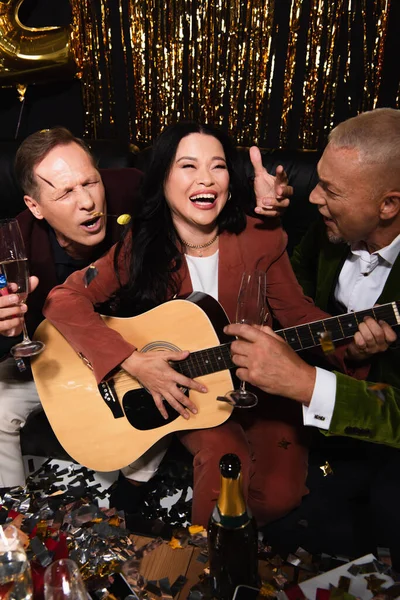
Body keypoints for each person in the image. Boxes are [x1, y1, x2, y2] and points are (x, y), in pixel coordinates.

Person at [43, 121, 354, 528]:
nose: (205, 178)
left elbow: (298, 315)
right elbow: (62, 300)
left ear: (230, 178)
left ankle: (227, 551)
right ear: (164, 177)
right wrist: (133, 362)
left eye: (218, 166)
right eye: (188, 166)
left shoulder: (262, 236)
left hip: (261, 390)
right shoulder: (143, 244)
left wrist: (353, 343)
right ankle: (199, 564)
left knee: (280, 496)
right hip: (195, 392)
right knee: (226, 467)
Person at [225, 107, 400, 560]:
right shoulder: (332, 232)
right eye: (317, 180)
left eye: (331, 190)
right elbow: (289, 285)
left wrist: (305, 383)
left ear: (389, 205)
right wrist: (339, 343)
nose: (314, 197)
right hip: (327, 415)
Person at [0, 127, 157, 494]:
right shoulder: (11, 249)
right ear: (34, 206)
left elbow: (196, 198)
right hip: (56, 356)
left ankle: (133, 496)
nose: (87, 202)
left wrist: (257, 202)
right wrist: (2, 330)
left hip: (132, 347)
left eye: (90, 182)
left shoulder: (131, 189)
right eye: (66, 192)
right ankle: (12, 513)